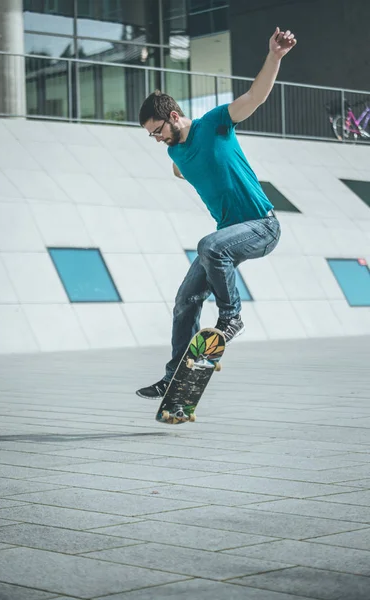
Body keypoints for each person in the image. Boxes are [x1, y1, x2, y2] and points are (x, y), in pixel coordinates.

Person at [136, 27, 297, 400]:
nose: (157, 139)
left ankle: (231, 316)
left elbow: (255, 97)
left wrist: (274, 56)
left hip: (262, 226)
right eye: (151, 136)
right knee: (185, 300)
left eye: (158, 131)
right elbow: (186, 167)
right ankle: (176, 378)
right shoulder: (175, 156)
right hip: (229, 236)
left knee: (210, 246)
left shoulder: (215, 123)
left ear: (174, 116)